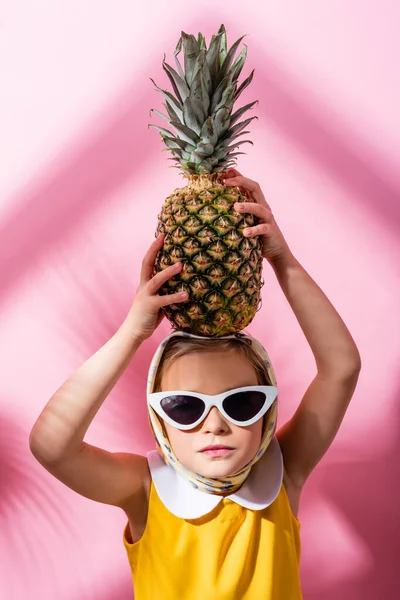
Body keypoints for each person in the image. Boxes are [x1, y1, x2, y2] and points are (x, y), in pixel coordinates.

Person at [29, 169, 361, 599]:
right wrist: (132, 331)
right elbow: (51, 446)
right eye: (185, 406)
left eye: (242, 404)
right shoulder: (145, 490)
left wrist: (282, 259)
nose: (215, 425)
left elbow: (342, 368)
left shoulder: (283, 474)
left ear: (268, 412)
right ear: (159, 419)